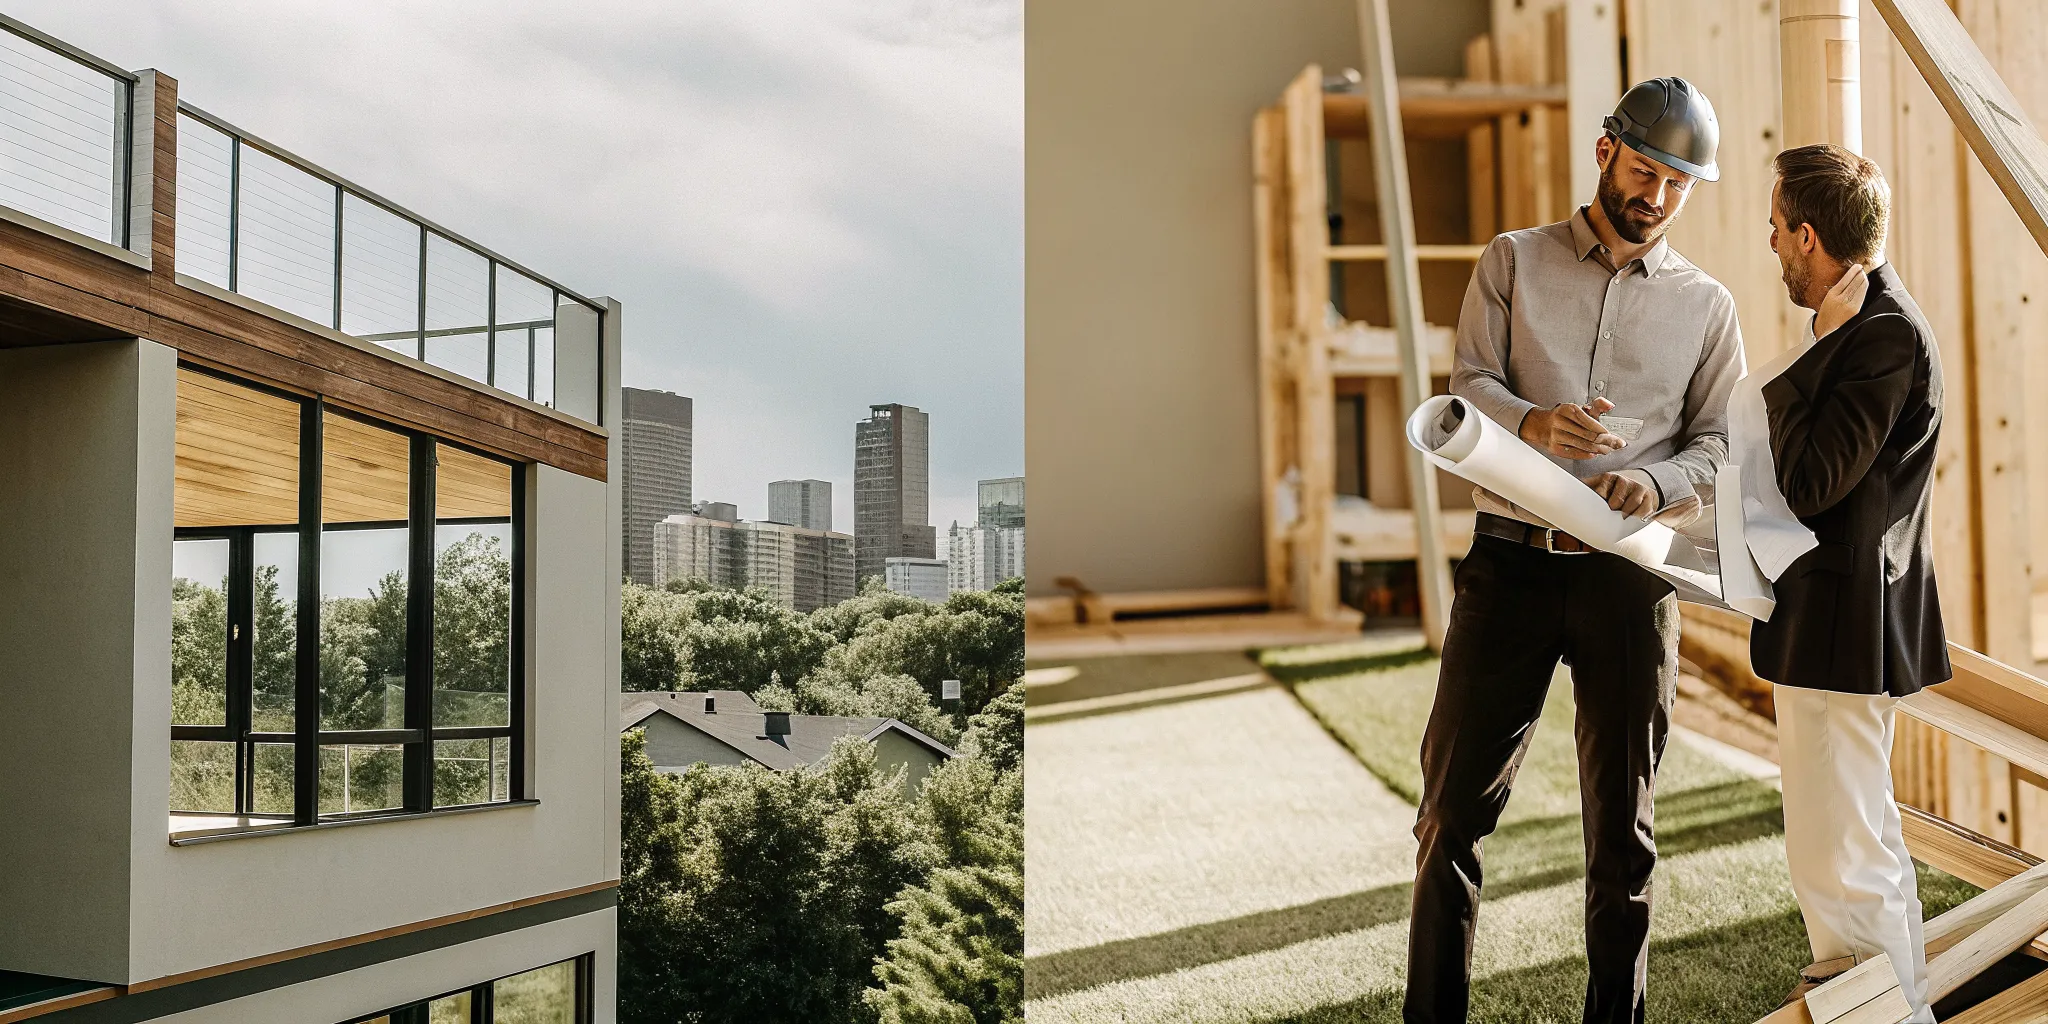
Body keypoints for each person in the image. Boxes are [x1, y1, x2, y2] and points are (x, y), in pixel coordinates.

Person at [1405, 78, 1745, 1024]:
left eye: (1681, 183)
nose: (1660, 196)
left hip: (1630, 581)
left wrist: (1661, 485)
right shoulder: (1512, 261)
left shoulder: (1709, 308)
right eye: (1647, 171)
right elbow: (1468, 380)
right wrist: (1533, 424)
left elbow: (1721, 443)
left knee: (1623, 838)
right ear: (1605, 153)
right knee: (1448, 819)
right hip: (1508, 566)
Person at [1751, 143, 1949, 1022]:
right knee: (1858, 833)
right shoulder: (1876, 325)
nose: (1772, 250)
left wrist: (1813, 356)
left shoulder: (1880, 334)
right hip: (1839, 622)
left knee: (1840, 848)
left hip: (1845, 626)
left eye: (1775, 234)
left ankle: (1872, 1005)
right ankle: (1897, 1004)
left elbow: (1812, 482)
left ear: (1808, 236)